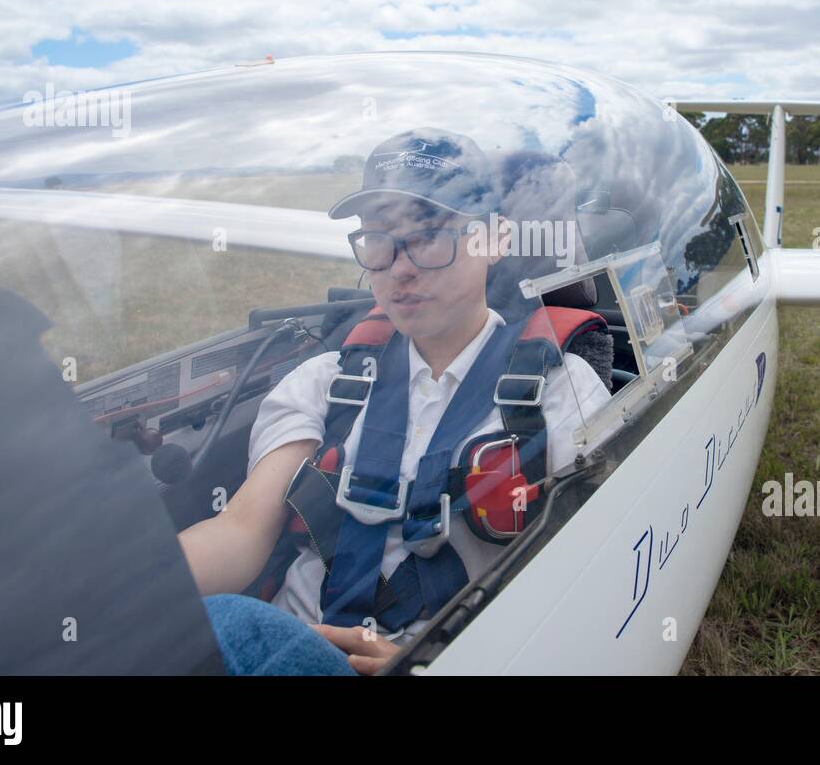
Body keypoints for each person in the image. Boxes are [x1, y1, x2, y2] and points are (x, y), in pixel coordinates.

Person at [178, 129, 611, 674]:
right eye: (379, 238)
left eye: (429, 234)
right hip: (279, 642)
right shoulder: (325, 382)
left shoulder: (561, 395)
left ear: (495, 239)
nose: (399, 268)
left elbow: (579, 583)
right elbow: (240, 531)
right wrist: (123, 601)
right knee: (221, 623)